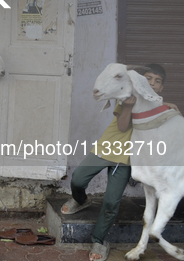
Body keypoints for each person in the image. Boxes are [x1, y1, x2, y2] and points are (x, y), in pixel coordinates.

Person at [62, 64, 180, 261]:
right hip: (108, 147)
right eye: (148, 78)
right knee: (78, 179)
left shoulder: (162, 108)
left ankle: (99, 241)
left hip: (128, 158)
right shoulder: (127, 95)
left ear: (161, 88)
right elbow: (123, 126)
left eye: (157, 81)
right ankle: (81, 200)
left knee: (111, 202)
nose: (151, 83)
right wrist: (128, 106)